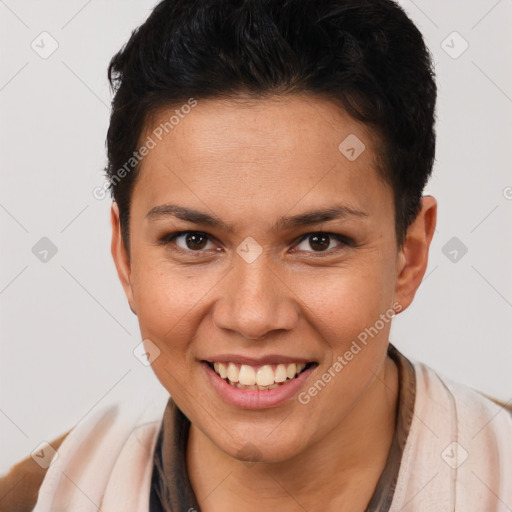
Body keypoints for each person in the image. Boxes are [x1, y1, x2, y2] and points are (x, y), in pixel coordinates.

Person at [1, 0, 511, 510]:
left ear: (410, 256)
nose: (253, 316)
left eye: (319, 241)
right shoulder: (36, 497)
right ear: (126, 257)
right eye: (194, 240)